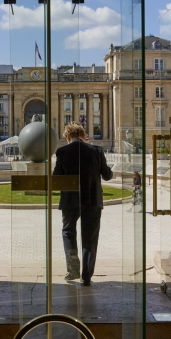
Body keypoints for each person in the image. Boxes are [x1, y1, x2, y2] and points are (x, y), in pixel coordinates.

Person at [53, 122, 113, 286]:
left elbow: (56, 178)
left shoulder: (62, 151)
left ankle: (73, 269)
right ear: (83, 136)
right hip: (93, 199)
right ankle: (86, 276)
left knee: (68, 233)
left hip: (70, 200)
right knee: (90, 238)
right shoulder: (97, 151)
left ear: (67, 137)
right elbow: (107, 176)